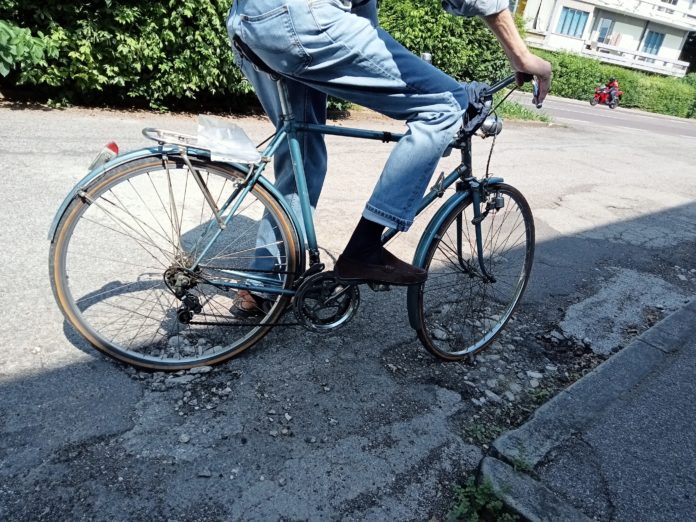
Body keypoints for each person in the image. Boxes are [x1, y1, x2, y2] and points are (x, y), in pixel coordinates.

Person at [226, 0, 551, 315]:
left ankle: (263, 285)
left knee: (304, 157)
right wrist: (520, 54)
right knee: (444, 104)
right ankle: (364, 249)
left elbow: (365, 29)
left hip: (249, 21)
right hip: (300, 19)